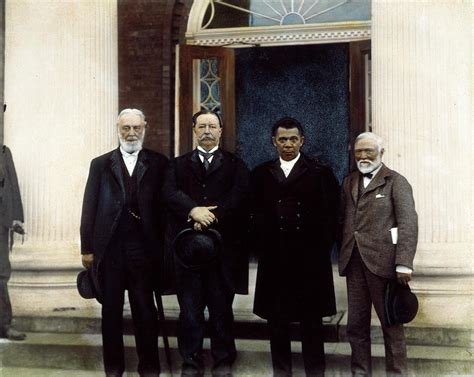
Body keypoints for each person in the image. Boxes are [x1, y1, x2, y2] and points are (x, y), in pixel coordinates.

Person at [80, 108, 168, 377]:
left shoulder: (159, 163)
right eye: (126, 128)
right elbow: (89, 207)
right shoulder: (100, 164)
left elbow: (164, 209)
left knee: (145, 312)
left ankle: (149, 368)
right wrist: (87, 248)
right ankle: (114, 370)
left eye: (136, 128)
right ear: (118, 129)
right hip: (110, 251)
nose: (131, 133)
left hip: (143, 251)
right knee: (111, 314)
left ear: (146, 127)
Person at [162, 109, 250, 377]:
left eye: (213, 126)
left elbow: (240, 197)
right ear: (194, 130)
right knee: (189, 310)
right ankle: (191, 361)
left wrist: (210, 216)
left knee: (221, 307)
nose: (208, 131)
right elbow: (169, 192)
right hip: (187, 252)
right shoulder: (176, 165)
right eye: (202, 126)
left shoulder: (236, 165)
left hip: (223, 251)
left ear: (221, 131)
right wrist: (193, 211)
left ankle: (223, 358)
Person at [251, 117, 339, 377]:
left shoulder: (320, 173)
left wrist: (320, 249)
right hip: (274, 259)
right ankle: (282, 372)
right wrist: (262, 247)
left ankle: (316, 372)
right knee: (277, 322)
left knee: (311, 322)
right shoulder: (260, 174)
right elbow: (252, 215)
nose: (288, 144)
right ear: (273, 142)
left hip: (309, 261)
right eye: (282, 139)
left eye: (293, 139)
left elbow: (333, 216)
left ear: (302, 140)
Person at [339, 131, 418, 376]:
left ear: (381, 153)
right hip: (354, 263)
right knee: (356, 326)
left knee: (391, 325)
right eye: (359, 152)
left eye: (369, 151)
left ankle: (397, 373)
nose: (363, 156)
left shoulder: (396, 181)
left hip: (384, 264)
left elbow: (408, 223)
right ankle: (360, 372)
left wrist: (403, 263)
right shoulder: (349, 181)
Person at [0, 144, 26, 341]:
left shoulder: (4, 151)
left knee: (1, 273)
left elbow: (13, 184)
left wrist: (17, 216)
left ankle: (4, 325)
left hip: (1, 223)